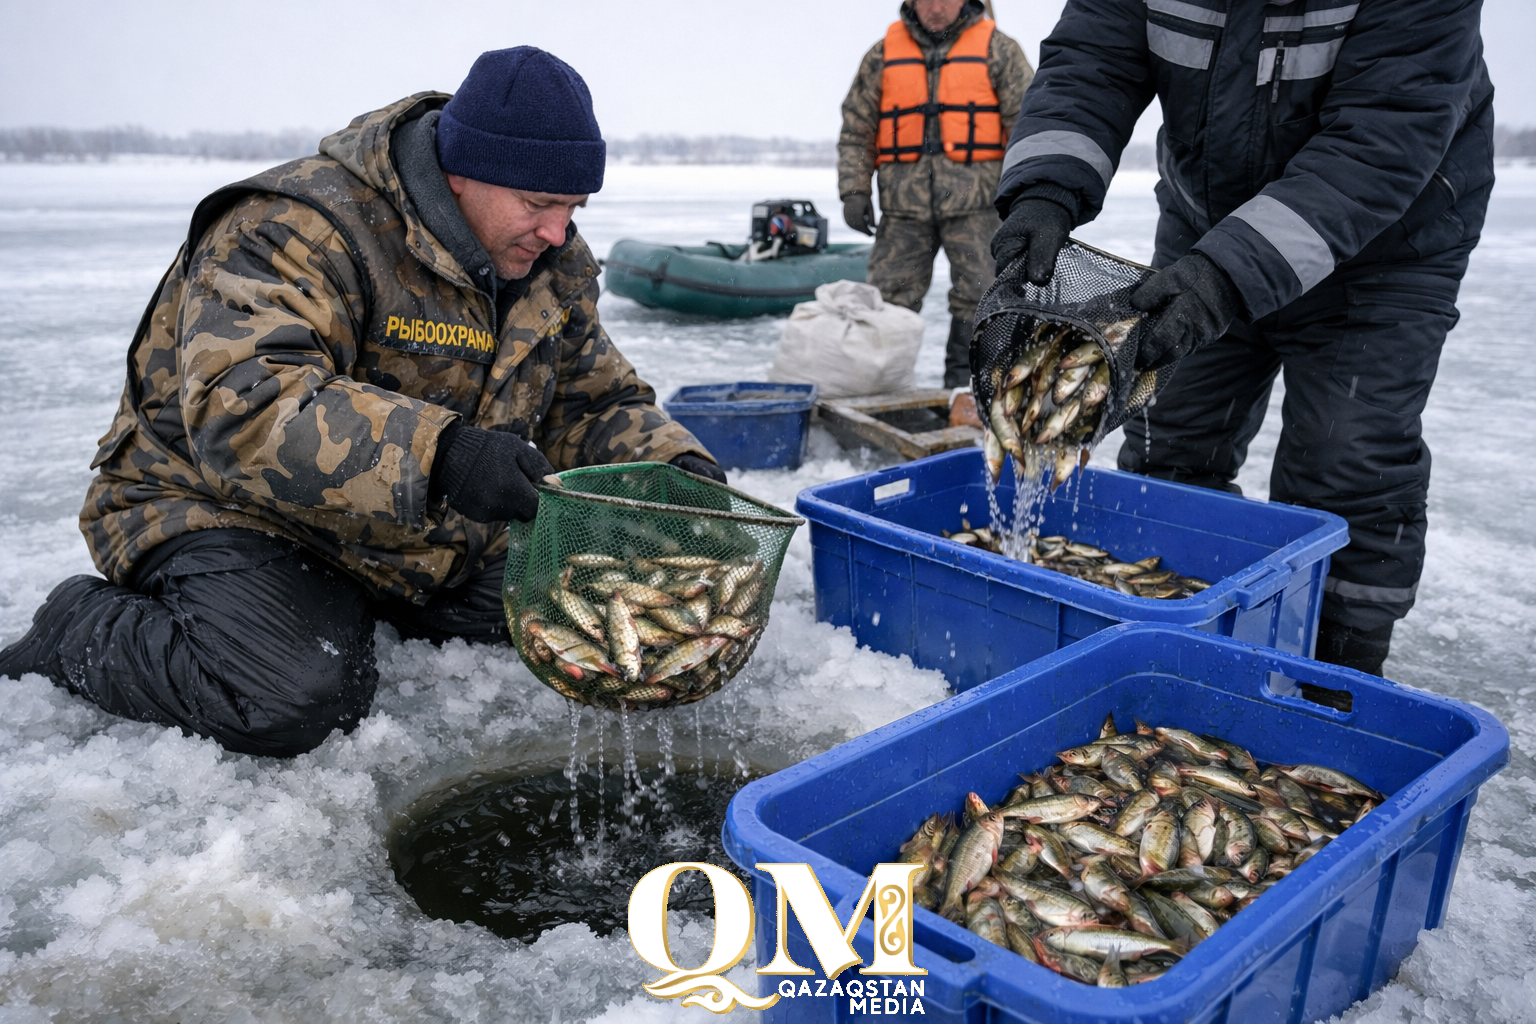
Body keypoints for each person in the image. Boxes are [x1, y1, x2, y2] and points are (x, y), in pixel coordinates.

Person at [0, 48, 725, 757]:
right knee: (294, 697)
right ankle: (75, 629)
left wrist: (674, 464)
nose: (559, 231)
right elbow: (247, 408)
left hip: (412, 528)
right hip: (221, 504)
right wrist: (444, 455)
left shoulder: (545, 259)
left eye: (575, 207)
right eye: (539, 204)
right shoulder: (295, 227)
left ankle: (363, 602)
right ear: (462, 173)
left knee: (592, 610)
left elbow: (588, 397)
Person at [989, 0, 1493, 676]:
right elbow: (1092, 62)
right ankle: (1186, 645)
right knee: (1169, 440)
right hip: (1206, 222)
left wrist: (1224, 278)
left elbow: (1382, 140)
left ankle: (1337, 678)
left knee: (1347, 461)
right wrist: (1046, 189)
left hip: (1387, 245)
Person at [839, 0, 1033, 388]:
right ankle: (883, 390)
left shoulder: (1000, 49)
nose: (937, 7)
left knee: (981, 297)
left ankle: (967, 388)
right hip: (902, 210)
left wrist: (1025, 195)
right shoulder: (881, 55)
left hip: (978, 208)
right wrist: (854, 190)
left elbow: (1027, 127)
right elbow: (857, 129)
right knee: (887, 300)